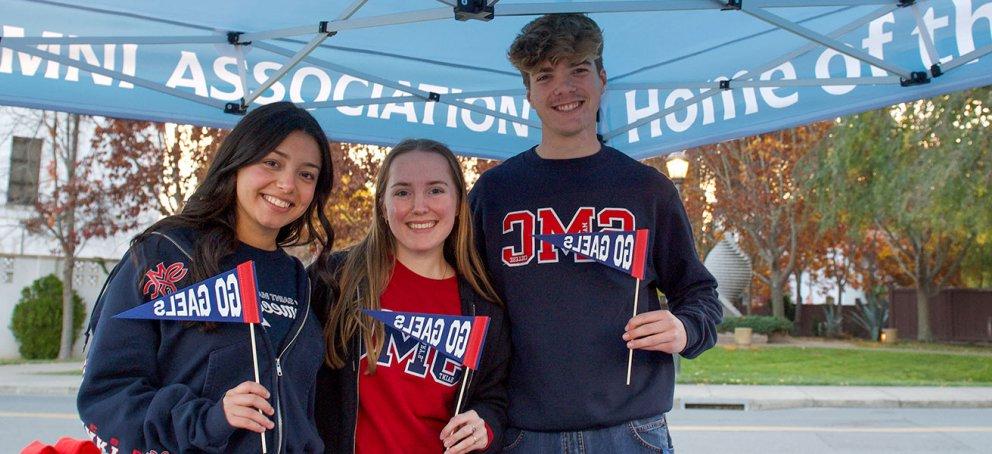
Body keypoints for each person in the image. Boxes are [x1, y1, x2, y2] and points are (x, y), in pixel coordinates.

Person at [468, 14, 723, 453]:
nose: (563, 88)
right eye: (545, 76)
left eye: (578, 70)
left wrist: (684, 328)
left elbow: (700, 293)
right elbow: (462, 297)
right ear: (528, 94)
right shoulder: (494, 193)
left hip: (632, 433)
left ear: (602, 79)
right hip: (523, 434)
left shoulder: (646, 189)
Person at [77, 101, 335, 453]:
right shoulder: (166, 255)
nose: (288, 184)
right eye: (272, 163)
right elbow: (106, 395)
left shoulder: (298, 280)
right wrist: (209, 420)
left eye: (307, 174)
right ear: (238, 162)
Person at [311, 139, 509, 454]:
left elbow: (494, 397)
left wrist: (484, 425)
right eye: (402, 192)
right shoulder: (337, 279)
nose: (420, 206)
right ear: (382, 205)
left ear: (459, 203)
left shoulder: (482, 305)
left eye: (435, 190)